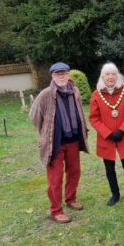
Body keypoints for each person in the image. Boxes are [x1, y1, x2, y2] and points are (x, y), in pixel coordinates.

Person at [29, 62, 89, 224]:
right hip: (54, 143)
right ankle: (55, 210)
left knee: (74, 171)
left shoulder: (75, 91)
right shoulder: (46, 94)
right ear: (52, 76)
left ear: (68, 75)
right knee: (55, 178)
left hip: (73, 140)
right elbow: (34, 116)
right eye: (58, 74)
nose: (61, 76)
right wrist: (45, 132)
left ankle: (70, 198)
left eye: (64, 73)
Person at [89, 63, 124, 207]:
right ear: (102, 76)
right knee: (109, 168)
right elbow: (94, 118)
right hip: (106, 138)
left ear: (118, 75)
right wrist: (107, 133)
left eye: (113, 74)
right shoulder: (96, 94)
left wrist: (122, 130)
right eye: (107, 74)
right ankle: (115, 194)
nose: (110, 77)